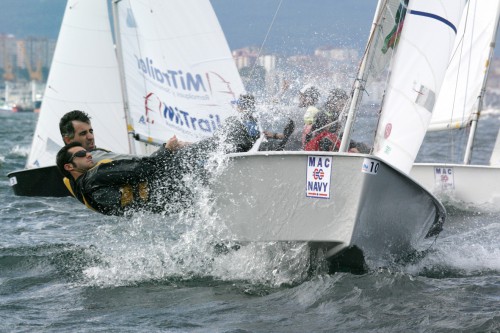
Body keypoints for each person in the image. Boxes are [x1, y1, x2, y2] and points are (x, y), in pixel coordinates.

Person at [56, 117, 256, 216]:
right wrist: (167, 149)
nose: (89, 141)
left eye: (91, 131)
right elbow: (142, 168)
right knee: (230, 132)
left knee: (213, 157)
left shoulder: (82, 187)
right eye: (82, 154)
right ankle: (257, 139)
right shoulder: (97, 172)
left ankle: (258, 144)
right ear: (69, 166)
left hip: (168, 202)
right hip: (171, 179)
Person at [59, 110, 139, 163]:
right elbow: (137, 160)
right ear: (68, 140)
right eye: (83, 133)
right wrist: (151, 159)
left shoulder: (68, 167)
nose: (91, 137)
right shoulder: (92, 158)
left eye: (91, 131)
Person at [304, 88, 369, 153]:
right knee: (327, 139)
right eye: (341, 105)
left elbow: (338, 135)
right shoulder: (322, 114)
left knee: (361, 146)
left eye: (344, 105)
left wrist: (353, 145)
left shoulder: (336, 114)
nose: (343, 108)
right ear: (333, 102)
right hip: (315, 147)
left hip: (328, 143)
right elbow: (323, 134)